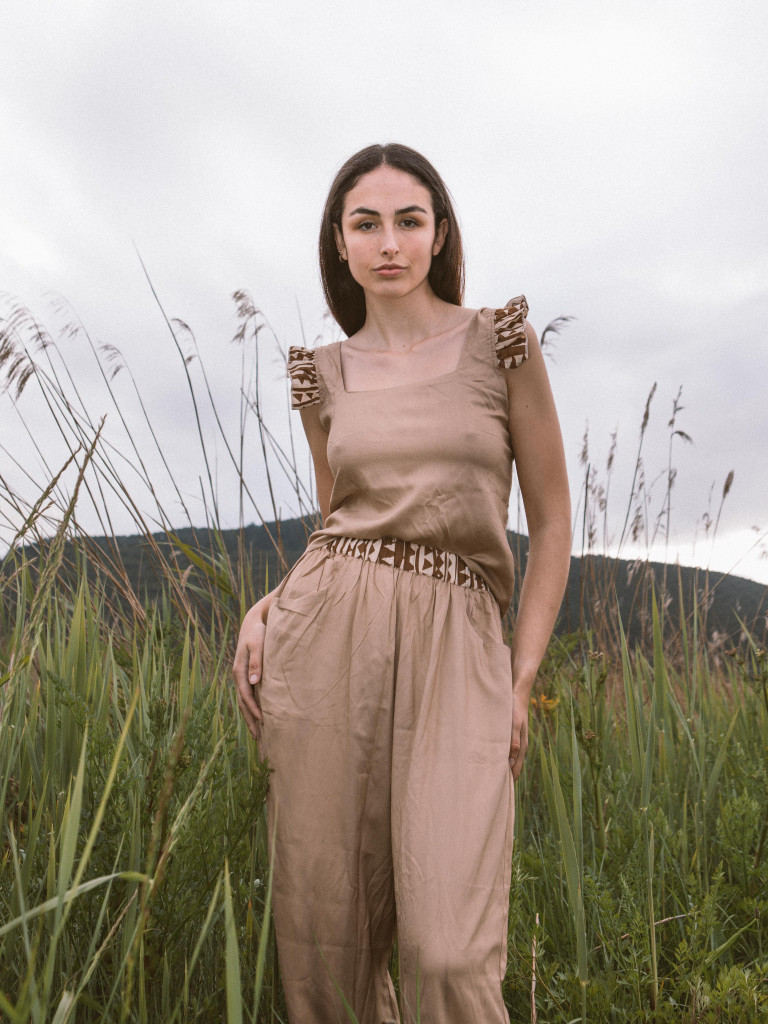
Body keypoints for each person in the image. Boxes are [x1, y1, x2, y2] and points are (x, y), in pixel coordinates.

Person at [233, 142, 571, 1024]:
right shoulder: (323, 378)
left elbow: (556, 520)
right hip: (325, 647)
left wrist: (520, 679)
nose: (389, 241)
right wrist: (271, 605)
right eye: (366, 223)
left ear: (440, 233)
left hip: (460, 643)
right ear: (339, 245)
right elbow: (339, 525)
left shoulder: (500, 344)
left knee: (448, 952)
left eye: (409, 220)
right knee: (323, 940)